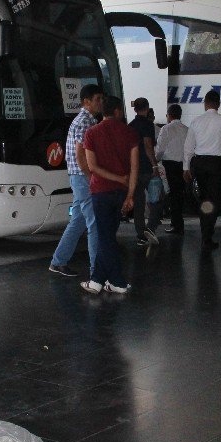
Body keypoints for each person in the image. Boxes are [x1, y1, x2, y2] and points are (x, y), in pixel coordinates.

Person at [80, 96, 138, 295]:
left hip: (100, 191)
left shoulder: (91, 133)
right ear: (118, 111)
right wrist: (130, 193)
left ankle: (111, 282)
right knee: (108, 235)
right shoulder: (130, 133)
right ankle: (105, 280)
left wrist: (116, 178)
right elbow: (134, 168)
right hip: (120, 193)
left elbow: (92, 167)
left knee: (105, 237)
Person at [49, 84, 103, 278]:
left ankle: (58, 261)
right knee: (94, 223)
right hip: (82, 177)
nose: (101, 103)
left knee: (78, 221)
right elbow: (81, 154)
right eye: (97, 99)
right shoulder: (84, 122)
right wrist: (90, 176)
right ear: (86, 102)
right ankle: (96, 271)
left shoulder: (87, 120)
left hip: (79, 176)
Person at [182, 90, 221, 251]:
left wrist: (186, 167)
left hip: (199, 164)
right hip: (218, 165)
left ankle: (206, 235)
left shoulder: (196, 122)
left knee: (204, 200)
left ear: (205, 103)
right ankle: (207, 236)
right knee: (214, 201)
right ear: (219, 104)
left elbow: (188, 147)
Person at [128, 97, 161, 246]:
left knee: (139, 203)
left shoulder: (130, 126)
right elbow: (148, 146)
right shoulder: (148, 124)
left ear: (135, 109)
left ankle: (140, 234)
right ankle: (151, 228)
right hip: (147, 169)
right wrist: (154, 165)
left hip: (134, 169)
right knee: (158, 198)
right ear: (147, 108)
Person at [155, 104, 189, 234]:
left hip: (170, 165)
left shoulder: (166, 129)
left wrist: (156, 160)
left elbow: (160, 149)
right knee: (179, 195)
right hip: (183, 166)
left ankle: (176, 224)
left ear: (168, 116)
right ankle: (178, 223)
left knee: (173, 195)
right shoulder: (187, 129)